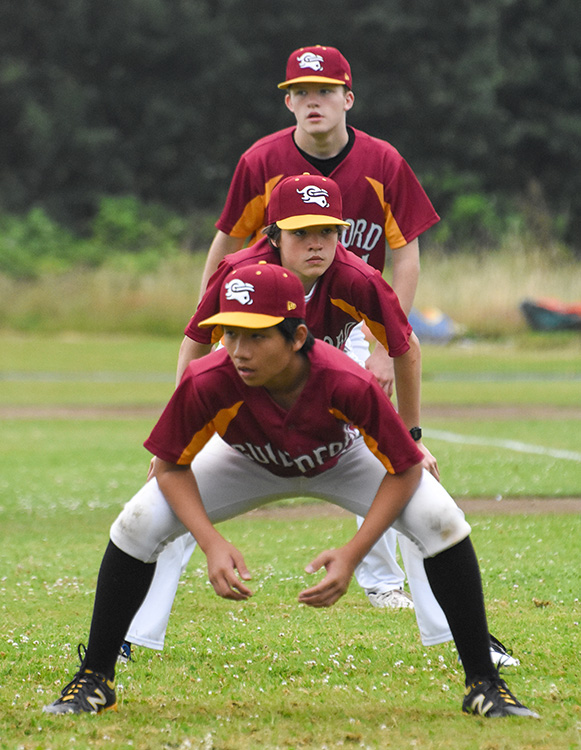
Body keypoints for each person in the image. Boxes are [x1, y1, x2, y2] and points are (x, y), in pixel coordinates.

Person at [43, 263, 538, 718]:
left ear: (299, 336)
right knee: (137, 521)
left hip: (340, 458)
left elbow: (404, 468)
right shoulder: (209, 378)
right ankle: (95, 678)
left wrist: (353, 552)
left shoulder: (346, 380)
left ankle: (484, 683)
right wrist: (210, 542)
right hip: (244, 460)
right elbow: (171, 467)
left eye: (257, 335)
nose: (239, 350)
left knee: (440, 519)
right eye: (231, 333)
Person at [123, 174, 518, 669]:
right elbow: (196, 344)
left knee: (433, 511)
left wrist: (413, 437)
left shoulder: (357, 279)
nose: (316, 243)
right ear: (273, 235)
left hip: (340, 443)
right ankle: (126, 635)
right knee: (155, 510)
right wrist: (183, 436)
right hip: (248, 443)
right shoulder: (239, 274)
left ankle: (468, 639)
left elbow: (404, 347)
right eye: (301, 232)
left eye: (327, 231)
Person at [198, 43, 438, 611]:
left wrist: (381, 345)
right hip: (268, 322)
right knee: (202, 448)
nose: (313, 101)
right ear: (288, 102)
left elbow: (405, 256)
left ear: (347, 98)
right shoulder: (261, 160)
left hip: (353, 317)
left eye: (325, 91)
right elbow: (227, 244)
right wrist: (213, 328)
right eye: (300, 92)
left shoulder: (382, 162)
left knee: (382, 442)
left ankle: (383, 580)